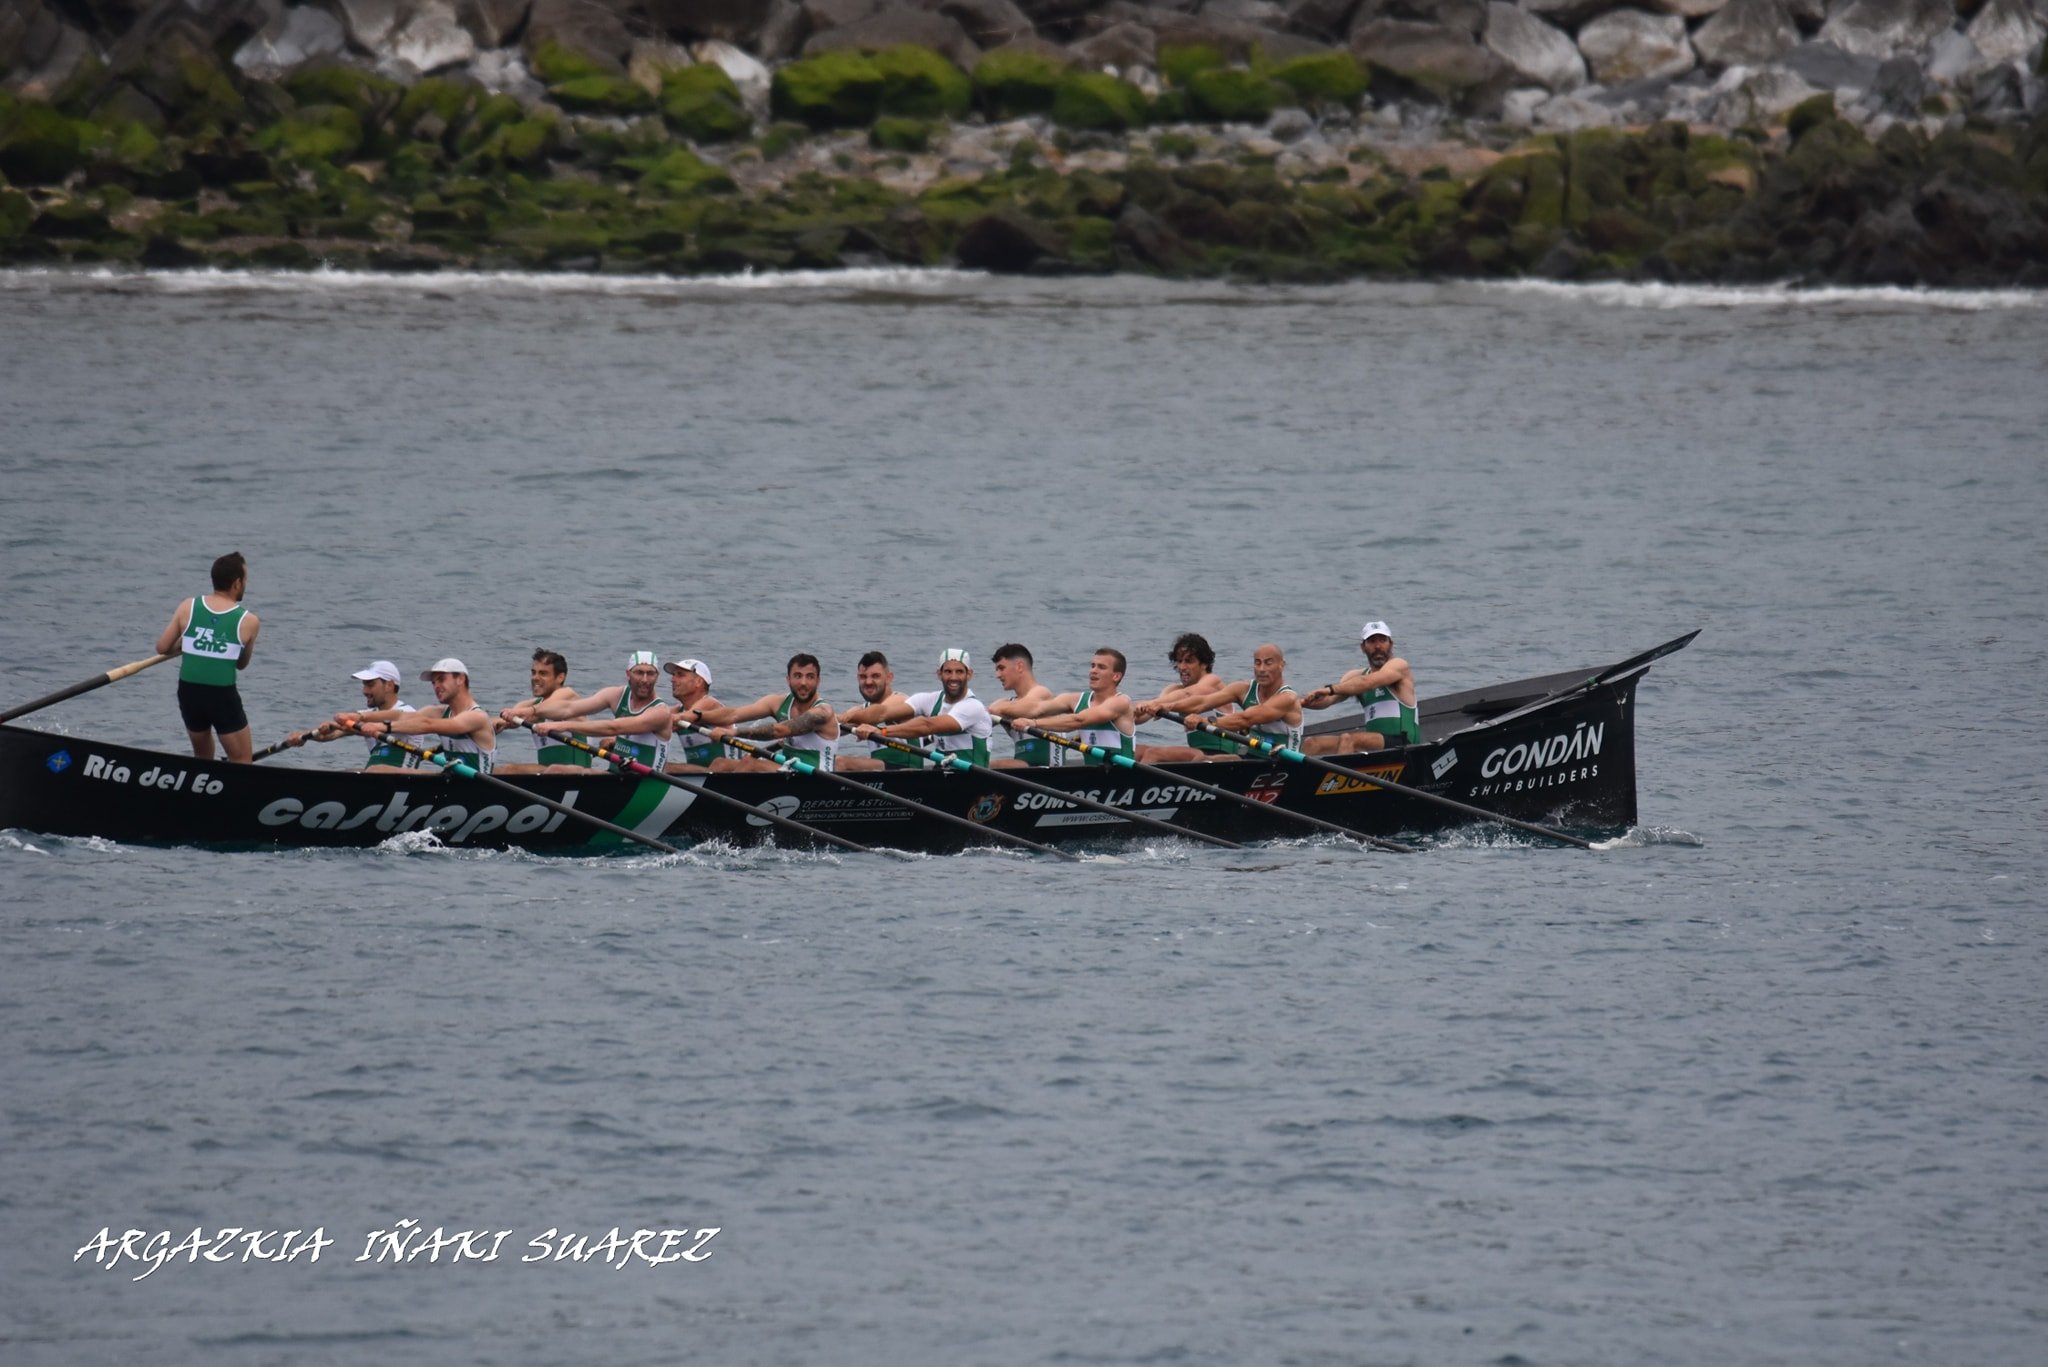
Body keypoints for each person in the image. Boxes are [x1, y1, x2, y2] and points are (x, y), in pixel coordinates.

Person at [155, 550, 260, 762]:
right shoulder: (248, 621)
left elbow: (163, 647)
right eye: (246, 579)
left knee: (202, 758)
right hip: (221, 696)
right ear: (237, 583)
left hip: (188, 692)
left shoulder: (188, 607)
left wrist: (190, 641)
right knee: (241, 759)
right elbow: (241, 664)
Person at [844, 649, 995, 768]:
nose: (953, 677)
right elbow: (883, 713)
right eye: (948, 672)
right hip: (943, 776)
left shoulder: (973, 706)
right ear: (939, 674)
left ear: (969, 674)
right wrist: (838, 719)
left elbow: (927, 725)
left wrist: (881, 732)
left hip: (973, 780)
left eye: (959, 672)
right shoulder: (928, 700)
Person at [1152, 644, 1304, 761]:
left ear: (1281, 665)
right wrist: (1167, 706)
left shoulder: (1287, 698)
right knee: (1202, 760)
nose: (1262, 669)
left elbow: (1246, 719)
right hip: (1251, 759)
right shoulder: (1243, 688)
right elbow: (1203, 702)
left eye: (1268, 663)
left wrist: (1205, 721)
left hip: (1285, 763)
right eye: (1257, 663)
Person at [342, 658, 496, 772]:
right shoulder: (439, 711)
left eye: (441, 680)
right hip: (451, 782)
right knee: (352, 773)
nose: (436, 686)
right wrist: (361, 717)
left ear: (460, 679)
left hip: (477, 787)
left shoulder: (477, 717)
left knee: (378, 770)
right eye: (433, 683)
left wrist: (381, 727)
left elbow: (427, 725)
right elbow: (401, 716)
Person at [524, 651, 668, 772]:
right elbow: (569, 709)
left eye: (650, 674)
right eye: (639, 673)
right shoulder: (616, 695)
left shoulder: (660, 712)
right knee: (556, 770)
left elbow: (613, 727)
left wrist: (562, 726)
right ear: (628, 674)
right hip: (615, 777)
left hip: (645, 784)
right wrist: (528, 712)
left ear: (657, 676)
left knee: (556, 771)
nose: (644, 679)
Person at [700, 653, 839, 773]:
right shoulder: (778, 702)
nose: (803, 682)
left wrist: (734, 733)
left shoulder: (822, 712)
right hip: (789, 771)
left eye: (810, 677)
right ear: (788, 679)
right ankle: (703, 799)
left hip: (816, 779)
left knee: (750, 763)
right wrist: (695, 716)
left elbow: (780, 730)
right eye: (797, 676)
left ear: (818, 681)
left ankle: (723, 800)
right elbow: (733, 714)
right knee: (721, 763)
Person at [1003, 647, 1135, 766]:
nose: (1093, 671)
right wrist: (998, 710)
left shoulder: (1121, 702)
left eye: (1101, 667)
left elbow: (1078, 720)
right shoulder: (1074, 699)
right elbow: (1037, 708)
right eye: (1092, 666)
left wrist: (1032, 723)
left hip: (1122, 777)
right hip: (1095, 776)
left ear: (1116, 676)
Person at [1300, 620, 1418, 753]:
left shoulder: (1399, 665)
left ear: (1391, 644)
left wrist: (1329, 689)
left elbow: (1368, 683)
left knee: (1348, 739)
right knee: (1312, 743)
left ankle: (1342, 773)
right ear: (1363, 647)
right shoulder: (1355, 676)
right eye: (1372, 641)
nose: (1378, 646)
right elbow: (1328, 700)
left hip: (1403, 744)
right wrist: (1300, 703)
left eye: (1383, 640)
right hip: (1376, 746)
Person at [286, 660, 417, 770]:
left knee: (369, 770)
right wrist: (304, 736)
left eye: (370, 685)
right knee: (346, 772)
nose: (364, 691)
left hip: (403, 779)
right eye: (364, 685)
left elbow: (376, 725)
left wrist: (344, 724)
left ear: (389, 685)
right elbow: (331, 734)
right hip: (377, 778)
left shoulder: (408, 713)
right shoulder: (368, 714)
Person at [1132, 632, 1236, 762]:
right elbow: (1142, 717)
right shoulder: (1173, 690)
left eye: (1188, 661)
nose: (1182, 667)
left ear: (1204, 664)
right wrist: (1128, 712)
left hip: (1225, 756)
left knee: (1154, 754)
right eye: (1179, 661)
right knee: (1135, 751)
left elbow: (1188, 694)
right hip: (1197, 756)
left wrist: (1152, 704)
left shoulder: (1212, 681)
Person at [493, 649, 589, 774]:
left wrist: (526, 712)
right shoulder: (528, 705)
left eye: (543, 673)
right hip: (549, 774)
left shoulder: (569, 696)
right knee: (493, 771)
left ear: (560, 677)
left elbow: (546, 707)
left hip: (577, 773)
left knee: (510, 770)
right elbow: (500, 721)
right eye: (533, 673)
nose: (535, 678)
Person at [835, 650, 917, 772]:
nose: (868, 682)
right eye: (863, 677)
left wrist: (841, 718)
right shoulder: (861, 710)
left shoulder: (901, 700)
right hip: (882, 769)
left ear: (889, 678)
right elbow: (833, 727)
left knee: (840, 763)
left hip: (907, 771)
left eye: (875, 676)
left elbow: (873, 715)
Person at [986, 643, 1057, 768]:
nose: (997, 675)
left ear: (1019, 666)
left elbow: (1029, 708)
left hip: (1048, 771)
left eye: (1001, 668)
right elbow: (980, 721)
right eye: (996, 670)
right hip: (1023, 770)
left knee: (989, 767)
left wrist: (996, 710)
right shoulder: (1004, 703)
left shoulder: (1042, 693)